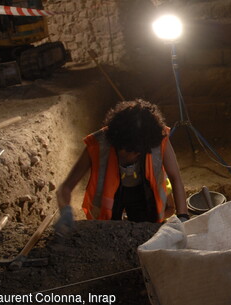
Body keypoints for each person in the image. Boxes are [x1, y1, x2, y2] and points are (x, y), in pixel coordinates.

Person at [55, 99, 189, 234]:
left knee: (146, 227)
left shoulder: (156, 139)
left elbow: (175, 177)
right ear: (116, 142)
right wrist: (65, 211)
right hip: (109, 204)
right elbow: (65, 188)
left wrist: (183, 217)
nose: (131, 156)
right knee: (109, 231)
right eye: (127, 151)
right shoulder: (98, 144)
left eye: (137, 153)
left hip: (143, 193)